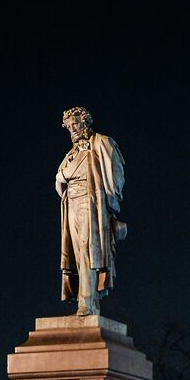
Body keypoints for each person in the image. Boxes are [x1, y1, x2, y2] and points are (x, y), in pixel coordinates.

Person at [56, 106, 125, 316]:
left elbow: (116, 175)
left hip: (91, 201)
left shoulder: (102, 142)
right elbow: (60, 179)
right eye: (68, 127)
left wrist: (110, 205)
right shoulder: (70, 153)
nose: (73, 129)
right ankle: (83, 299)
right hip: (72, 204)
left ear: (85, 122)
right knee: (77, 253)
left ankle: (88, 303)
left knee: (88, 250)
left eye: (75, 124)